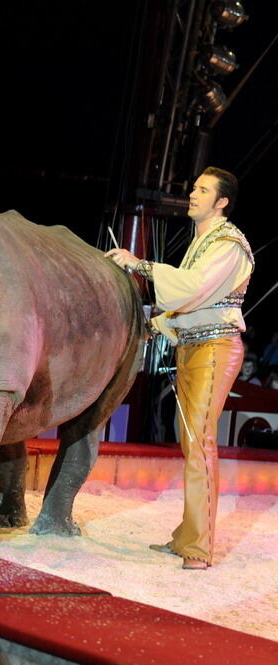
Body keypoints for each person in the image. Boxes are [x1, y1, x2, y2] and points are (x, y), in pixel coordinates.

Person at [105, 166, 252, 570]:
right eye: (193, 188)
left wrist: (141, 265)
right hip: (195, 347)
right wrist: (158, 324)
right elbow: (196, 302)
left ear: (221, 202)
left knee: (200, 442)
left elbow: (193, 288)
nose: (192, 194)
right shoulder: (203, 240)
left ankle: (199, 549)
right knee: (191, 443)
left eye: (203, 190)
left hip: (214, 349)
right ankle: (188, 536)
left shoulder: (228, 243)